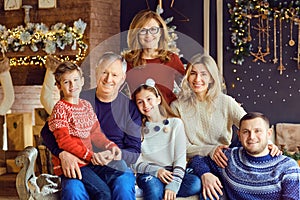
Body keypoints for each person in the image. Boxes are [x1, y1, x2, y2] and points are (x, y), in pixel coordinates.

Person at [41, 52, 142, 200]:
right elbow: (47, 132)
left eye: (114, 75)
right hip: (78, 162)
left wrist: (114, 152)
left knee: (123, 185)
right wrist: (62, 154)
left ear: (122, 78)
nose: (108, 79)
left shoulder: (130, 108)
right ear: (96, 72)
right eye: (104, 72)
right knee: (73, 190)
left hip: (112, 163)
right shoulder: (77, 98)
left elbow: (134, 151)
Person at [171, 53, 280, 169]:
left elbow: (251, 126)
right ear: (187, 76)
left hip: (223, 159)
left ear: (211, 78)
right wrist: (210, 150)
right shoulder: (177, 106)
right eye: (193, 73)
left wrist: (268, 144)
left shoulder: (226, 102)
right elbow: (182, 147)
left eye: (203, 74)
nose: (198, 79)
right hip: (195, 162)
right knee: (194, 185)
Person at [189, 112, 300, 200]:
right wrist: (205, 174)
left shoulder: (288, 167)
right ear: (239, 135)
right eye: (246, 132)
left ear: (269, 134)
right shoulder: (230, 157)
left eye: (258, 131)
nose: (251, 137)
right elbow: (197, 160)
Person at [131, 78, 200, 200]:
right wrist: (157, 171)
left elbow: (180, 158)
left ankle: (157, 190)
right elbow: (135, 163)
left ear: (158, 99)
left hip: (171, 173)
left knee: (195, 183)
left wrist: (173, 185)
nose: (146, 105)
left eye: (149, 99)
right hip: (150, 173)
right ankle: (153, 189)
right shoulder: (137, 129)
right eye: (140, 102)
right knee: (153, 187)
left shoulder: (175, 124)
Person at [123, 9, 185, 104]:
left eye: (153, 29)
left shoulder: (172, 59)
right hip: (139, 117)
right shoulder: (128, 61)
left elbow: (189, 88)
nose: (148, 35)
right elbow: (112, 89)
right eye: (143, 30)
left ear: (160, 32)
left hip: (168, 116)